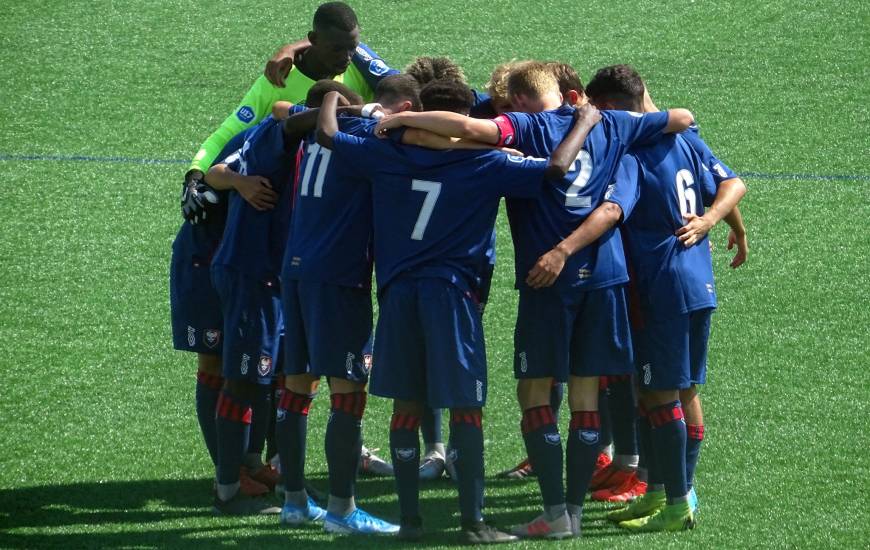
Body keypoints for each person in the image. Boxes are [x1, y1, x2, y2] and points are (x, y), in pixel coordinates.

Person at [373, 60, 695, 538]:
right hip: (605, 278)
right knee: (587, 394)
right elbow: (681, 117)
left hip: (549, 280)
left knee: (535, 394)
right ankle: (577, 513)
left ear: (521, 101)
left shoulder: (526, 128)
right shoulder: (616, 125)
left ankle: (554, 512)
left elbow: (462, 129)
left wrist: (399, 120)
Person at [319, 85, 601, 543]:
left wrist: (334, 95)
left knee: (406, 407)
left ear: (423, 114)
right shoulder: (489, 162)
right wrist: (585, 122)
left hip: (396, 295)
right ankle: (472, 523)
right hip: (452, 298)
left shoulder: (384, 151)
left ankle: (409, 522)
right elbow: (554, 169)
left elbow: (329, 135)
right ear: (465, 117)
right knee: (466, 410)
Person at [582, 65, 746, 532]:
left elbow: (613, 212)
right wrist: (722, 222)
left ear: (612, 108)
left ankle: (678, 501)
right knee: (681, 389)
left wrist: (565, 246)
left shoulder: (632, 154)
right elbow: (732, 183)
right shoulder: (687, 138)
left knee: (657, 393)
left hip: (660, 287)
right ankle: (660, 493)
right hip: (697, 283)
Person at [276, 75, 423, 535]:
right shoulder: (362, 139)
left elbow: (286, 114)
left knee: (297, 389)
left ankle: (295, 501)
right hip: (338, 276)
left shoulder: (309, 140)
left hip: (295, 269)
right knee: (348, 392)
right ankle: (342, 510)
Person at [182, 1, 397, 224]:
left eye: (352, 48)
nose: (346, 57)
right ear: (313, 40)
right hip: (284, 201)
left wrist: (292, 46)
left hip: (339, 197)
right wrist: (195, 175)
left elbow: (397, 88)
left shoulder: (357, 69)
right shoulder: (278, 80)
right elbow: (227, 133)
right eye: (337, 49)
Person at [203, 100, 309, 515]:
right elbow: (213, 173)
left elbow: (219, 169)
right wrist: (241, 183)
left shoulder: (271, 134)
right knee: (242, 381)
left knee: (274, 377)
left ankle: (270, 473)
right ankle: (226, 490)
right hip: (252, 275)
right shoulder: (276, 138)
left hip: (270, 276)